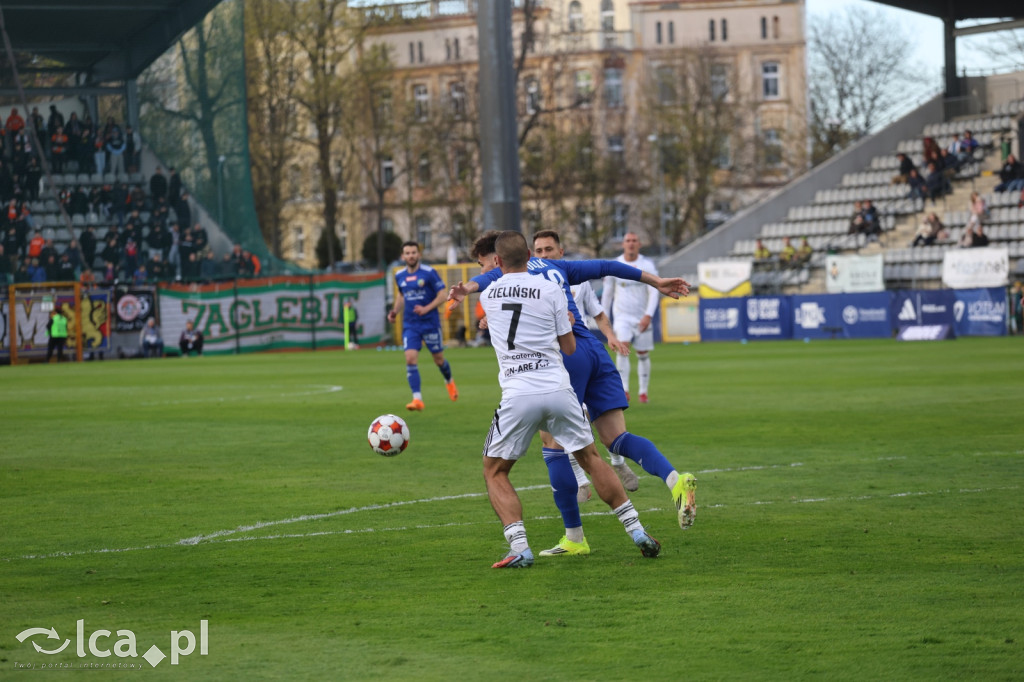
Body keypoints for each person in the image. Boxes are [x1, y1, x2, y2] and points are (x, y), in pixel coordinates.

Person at [451, 231, 697, 557]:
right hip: (593, 349)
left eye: (483, 265)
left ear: (496, 260)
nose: (483, 272)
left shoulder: (497, 278)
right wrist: (656, 281)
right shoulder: (559, 269)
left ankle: (574, 537)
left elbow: (479, 285)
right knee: (614, 438)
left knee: (553, 446)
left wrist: (467, 289)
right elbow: (609, 265)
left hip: (562, 361)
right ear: (528, 252)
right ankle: (674, 480)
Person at [532, 231, 634, 500]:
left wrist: (610, 336)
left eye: (549, 249)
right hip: (552, 358)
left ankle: (617, 462)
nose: (544, 255)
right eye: (539, 251)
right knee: (553, 431)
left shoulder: (579, 281)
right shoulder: (532, 282)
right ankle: (580, 480)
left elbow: (598, 314)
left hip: (579, 355)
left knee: (586, 420)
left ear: (561, 252)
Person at [387, 241, 458, 411]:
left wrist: (426, 308)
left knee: (439, 360)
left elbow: (442, 295)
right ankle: (417, 399)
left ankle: (449, 381)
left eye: (413, 252)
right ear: (403, 256)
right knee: (410, 358)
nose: (410, 255)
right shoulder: (399, 275)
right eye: (407, 253)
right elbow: (401, 296)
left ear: (418, 254)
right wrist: (395, 311)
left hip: (430, 323)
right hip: (411, 325)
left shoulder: (429, 273)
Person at [600, 232, 661, 404]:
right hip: (622, 317)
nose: (631, 244)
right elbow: (607, 294)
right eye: (628, 241)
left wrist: (648, 314)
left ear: (639, 244)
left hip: (641, 316)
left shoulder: (646, 265)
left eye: (634, 240)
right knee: (623, 348)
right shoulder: (615, 265)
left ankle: (643, 391)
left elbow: (654, 290)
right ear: (623, 244)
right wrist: (604, 316)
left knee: (642, 353)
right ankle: (624, 389)